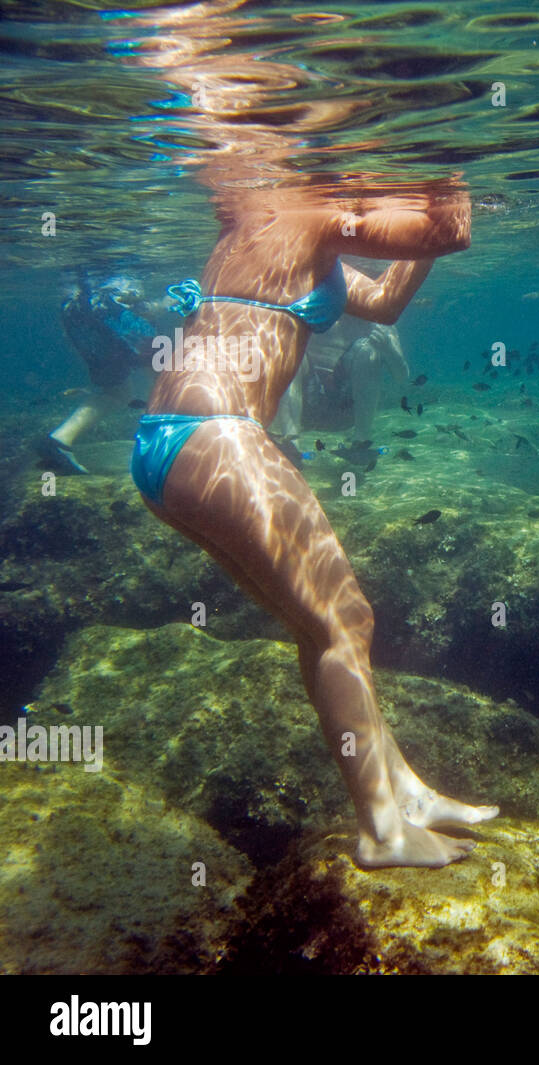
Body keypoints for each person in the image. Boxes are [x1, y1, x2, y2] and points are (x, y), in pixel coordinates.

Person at [133, 177, 497, 867]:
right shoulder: (303, 212)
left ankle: (402, 793)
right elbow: (449, 231)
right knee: (347, 618)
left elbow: (385, 304)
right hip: (212, 433)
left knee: (322, 620)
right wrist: (450, 161)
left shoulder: (292, 230)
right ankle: (383, 831)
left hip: (174, 446)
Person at [39, 276, 161, 474]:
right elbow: (139, 305)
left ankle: (60, 440)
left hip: (74, 310)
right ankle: (163, 445)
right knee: (162, 377)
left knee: (116, 391)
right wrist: (166, 303)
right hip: (109, 310)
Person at [268, 313, 409, 448]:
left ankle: (361, 441)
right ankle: (291, 442)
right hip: (306, 404)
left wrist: (389, 350)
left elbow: (402, 377)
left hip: (345, 408)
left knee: (367, 351)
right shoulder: (307, 307)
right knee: (290, 348)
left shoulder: (378, 322)